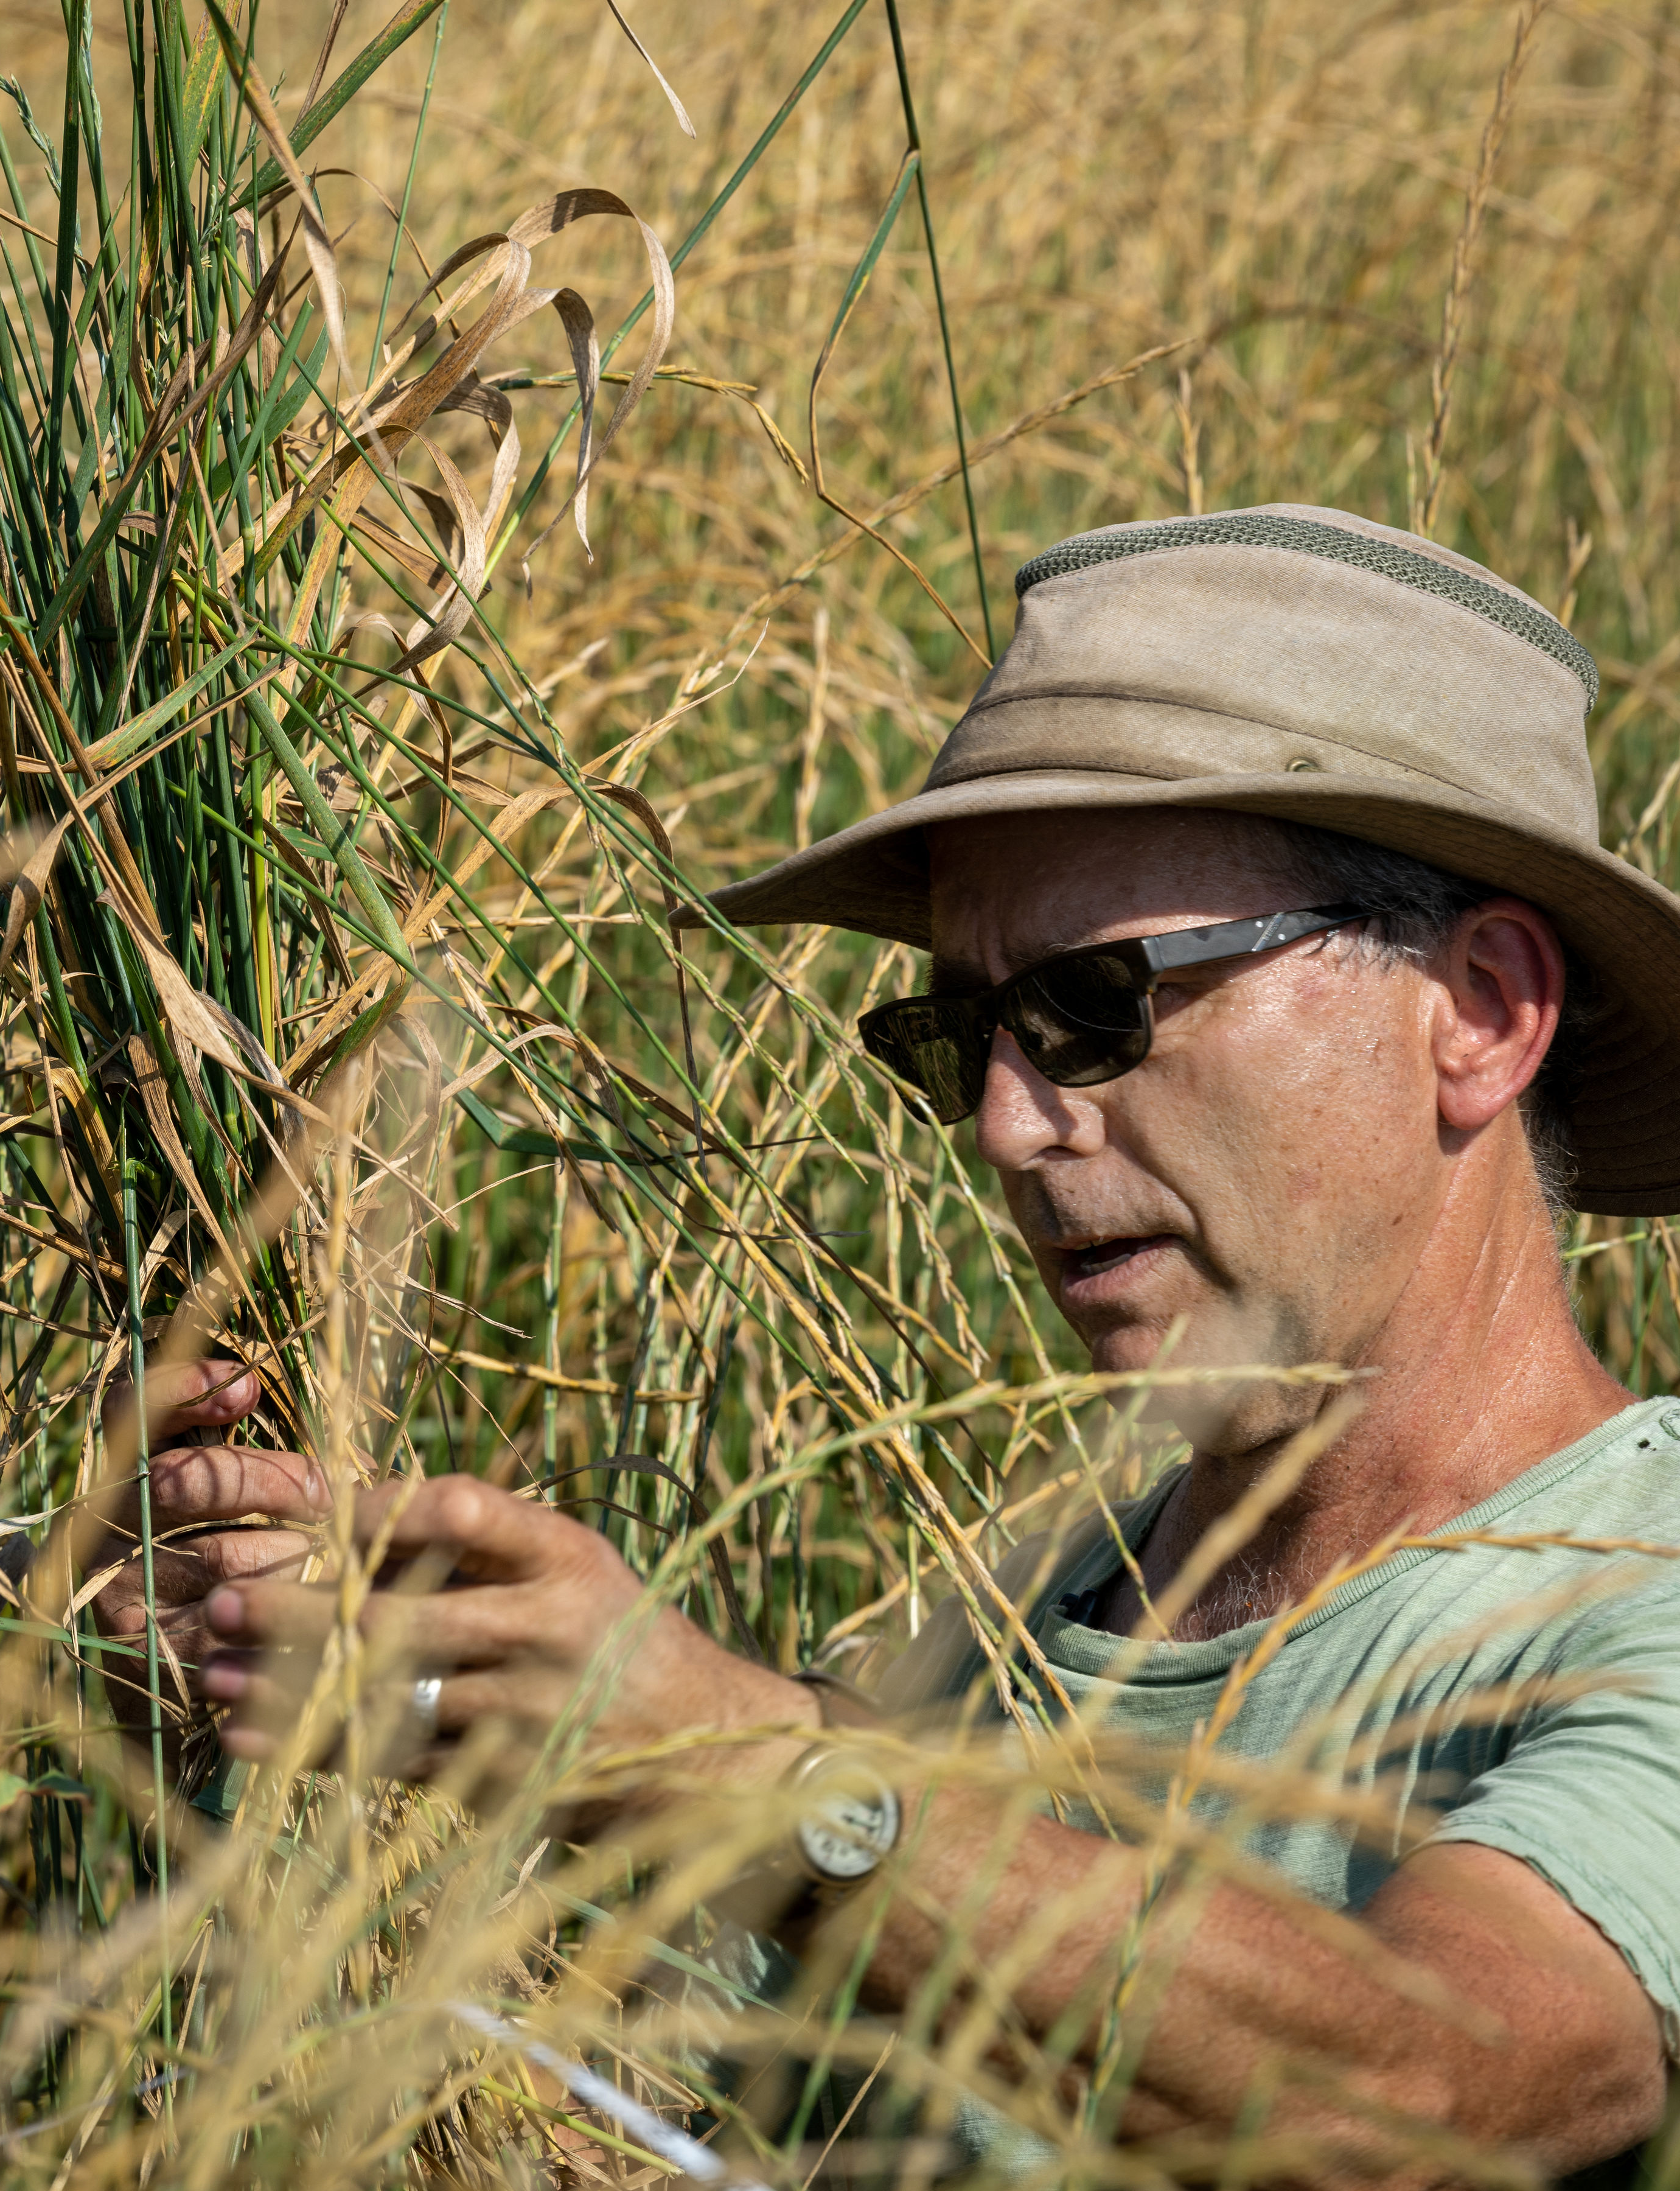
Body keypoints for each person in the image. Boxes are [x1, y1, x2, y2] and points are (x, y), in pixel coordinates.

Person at [83, 506, 1680, 2183]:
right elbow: (664, 2123)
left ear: (1483, 1012)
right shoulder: (1038, 1614)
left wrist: (742, 1775)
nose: (1005, 1122)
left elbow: (1440, 2086)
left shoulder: (1634, 1590)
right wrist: (272, 1701)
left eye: (1096, 1006)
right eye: (959, 1035)